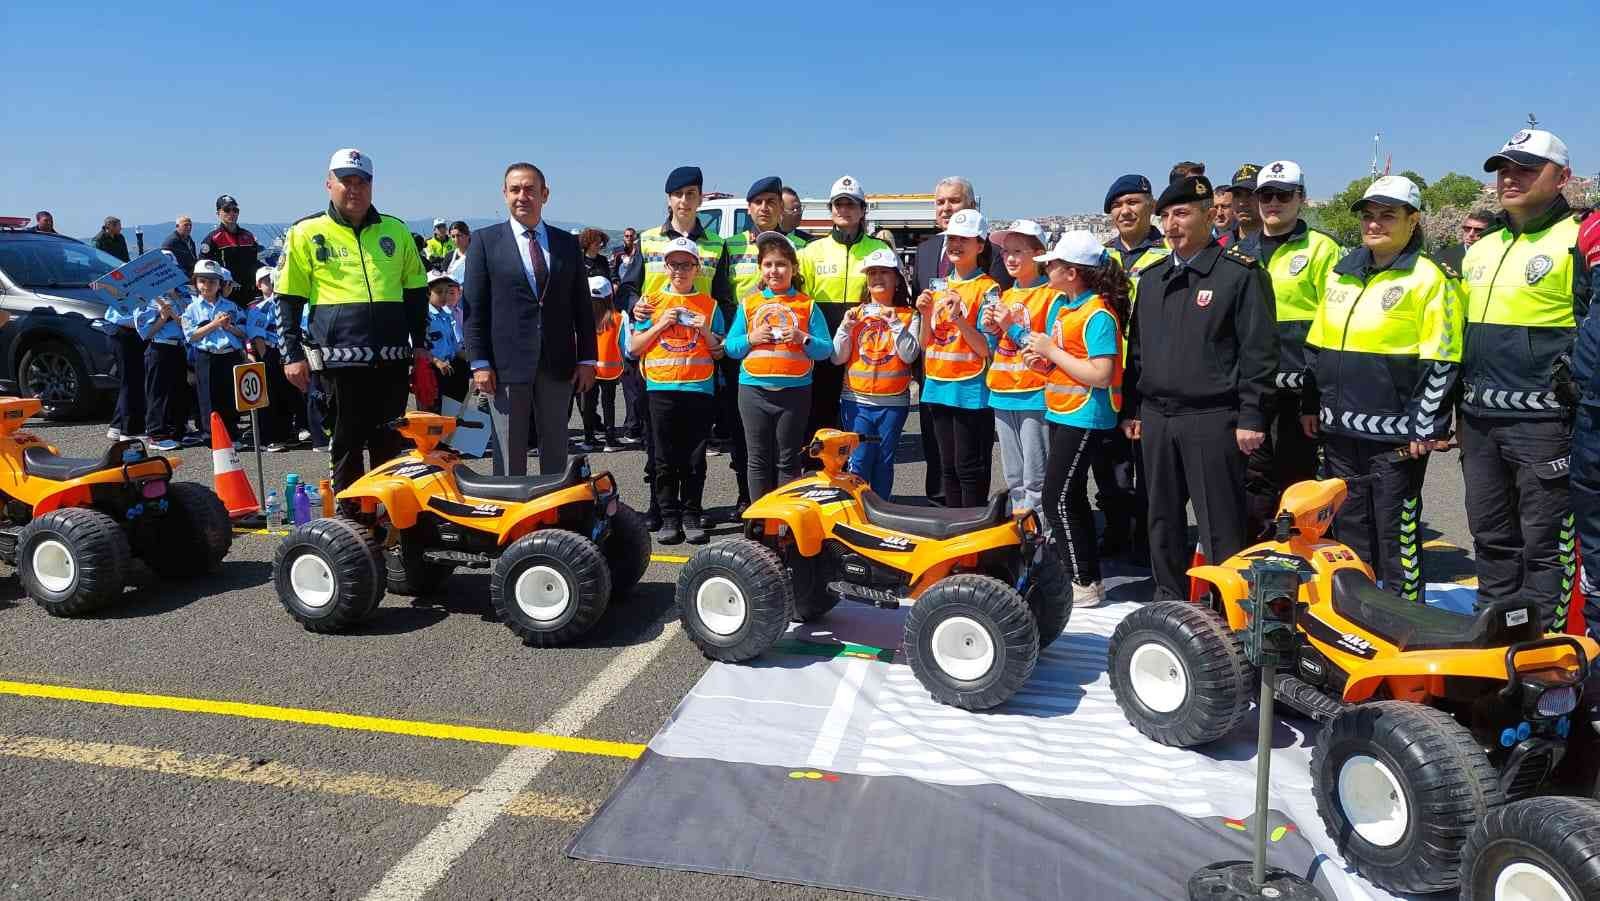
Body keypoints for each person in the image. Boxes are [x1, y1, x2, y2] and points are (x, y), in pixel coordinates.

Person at [1303, 175, 1464, 603]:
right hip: (1339, 429)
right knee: (1350, 526)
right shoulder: (1342, 272)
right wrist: (1310, 405)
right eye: (1368, 216)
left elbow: (1442, 359)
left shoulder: (1430, 278)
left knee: (1397, 530)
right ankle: (1359, 610)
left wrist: (1424, 424)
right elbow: (1316, 349)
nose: (1374, 224)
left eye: (1387, 215)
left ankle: (1406, 617)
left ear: (1413, 221)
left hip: (1395, 435)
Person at [1122, 175, 1277, 603]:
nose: (1172, 224)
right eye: (1167, 215)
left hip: (1212, 418)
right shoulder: (1152, 279)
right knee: (1162, 520)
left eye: (1183, 213)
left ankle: (1230, 609)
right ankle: (1169, 602)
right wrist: (1133, 409)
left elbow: (1258, 354)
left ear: (1210, 216)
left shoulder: (1238, 277)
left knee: (1220, 524)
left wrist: (1252, 416)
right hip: (1157, 418)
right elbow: (1138, 352)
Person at [1465, 129, 1590, 631]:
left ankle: (1544, 653)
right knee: (1491, 538)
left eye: (1525, 168)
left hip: (1545, 422)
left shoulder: (1579, 237)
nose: (1509, 178)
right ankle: (1494, 639)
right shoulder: (1482, 245)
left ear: (1562, 178)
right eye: (1503, 169)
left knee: (1544, 546)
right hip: (1477, 418)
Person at [276, 148, 431, 494]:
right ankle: (352, 526)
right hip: (337, 364)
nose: (354, 189)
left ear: (372, 186)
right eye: (346, 181)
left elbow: (417, 294)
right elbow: (286, 299)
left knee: (390, 445)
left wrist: (420, 347)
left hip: (391, 362)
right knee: (345, 445)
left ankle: (389, 520)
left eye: (362, 182)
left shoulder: (396, 230)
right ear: (329, 184)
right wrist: (292, 355)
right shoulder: (305, 232)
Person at [464, 161, 597, 478]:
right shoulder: (484, 242)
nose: (522, 196)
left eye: (530, 189)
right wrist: (479, 362)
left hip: (557, 362)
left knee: (556, 450)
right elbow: (474, 309)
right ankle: (511, 523)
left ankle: (553, 521)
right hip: (505, 367)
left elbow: (581, 305)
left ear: (544, 194)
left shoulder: (566, 244)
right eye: (515, 189)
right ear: (504, 194)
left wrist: (588, 359)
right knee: (509, 455)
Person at [620, 165, 732, 528]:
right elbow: (630, 286)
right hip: (657, 352)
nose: (685, 201)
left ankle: (688, 510)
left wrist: (717, 336)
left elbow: (724, 297)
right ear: (668, 199)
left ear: (701, 198)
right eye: (679, 194)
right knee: (657, 442)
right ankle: (660, 507)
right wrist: (633, 304)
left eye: (692, 194)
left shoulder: (716, 243)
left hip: (697, 353)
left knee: (693, 446)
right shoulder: (649, 238)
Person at [1237, 160, 1343, 540]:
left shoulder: (1323, 250)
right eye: (1266, 195)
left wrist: (1313, 400)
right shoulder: (1239, 251)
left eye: (1283, 195)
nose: (1273, 203)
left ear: (1301, 198)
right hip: (1253, 390)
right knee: (1253, 478)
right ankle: (1257, 554)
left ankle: (1297, 556)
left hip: (1299, 392)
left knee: (1296, 480)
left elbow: (1330, 325)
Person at [1029, 231, 1129, 607]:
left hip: (1086, 415)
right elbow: (1066, 362)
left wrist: (1051, 352)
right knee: (1068, 497)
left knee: (1057, 497)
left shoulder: (1098, 313)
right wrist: (1043, 360)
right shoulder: (1066, 307)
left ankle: (1082, 579)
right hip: (1064, 410)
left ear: (1072, 273)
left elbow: (1101, 373)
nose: (1047, 269)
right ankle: (1086, 577)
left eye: (1052, 264)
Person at [913, 177, 1013, 504]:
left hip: (970, 388)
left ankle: (972, 534)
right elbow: (926, 343)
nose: (956, 245)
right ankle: (952, 530)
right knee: (947, 467)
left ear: (980, 245)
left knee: (970, 467)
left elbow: (986, 347)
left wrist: (959, 320)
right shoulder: (937, 285)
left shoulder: (988, 287)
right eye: (952, 239)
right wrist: (925, 315)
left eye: (965, 239)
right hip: (937, 384)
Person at [626, 237, 727, 544]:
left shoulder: (710, 305)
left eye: (686, 264)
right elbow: (633, 348)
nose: (680, 270)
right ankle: (669, 516)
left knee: (695, 459)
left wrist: (704, 331)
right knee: (664, 458)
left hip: (698, 389)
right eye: (674, 264)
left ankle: (692, 514)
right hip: (661, 388)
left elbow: (720, 352)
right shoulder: (651, 302)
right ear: (666, 267)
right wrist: (660, 324)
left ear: (697, 268)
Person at [724, 231, 832, 500]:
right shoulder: (749, 303)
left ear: (793, 268)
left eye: (781, 264)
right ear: (761, 269)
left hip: (795, 393)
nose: (775, 270)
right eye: (769, 264)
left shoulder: (807, 305)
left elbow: (825, 349)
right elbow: (731, 347)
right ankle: (758, 523)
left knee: (789, 460)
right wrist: (751, 337)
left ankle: (784, 525)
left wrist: (802, 338)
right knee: (758, 459)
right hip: (753, 392)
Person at [721, 177, 806, 511]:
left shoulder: (802, 244)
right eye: (758, 202)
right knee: (745, 437)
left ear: (781, 207)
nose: (765, 208)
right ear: (749, 208)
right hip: (742, 347)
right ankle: (748, 496)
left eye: (772, 201)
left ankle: (787, 506)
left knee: (789, 444)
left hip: (789, 357)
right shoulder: (731, 245)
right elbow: (720, 293)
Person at [1097, 174, 1170, 559]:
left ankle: (1148, 538)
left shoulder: (1167, 253)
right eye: (1117, 205)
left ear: (1150, 206)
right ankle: (1115, 528)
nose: (1125, 211)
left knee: (1152, 465)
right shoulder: (1101, 257)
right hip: (1107, 373)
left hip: (1150, 373)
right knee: (1110, 462)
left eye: (1134, 202)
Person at [799, 176, 892, 437]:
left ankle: (857, 466)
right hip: (824, 340)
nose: (844, 210)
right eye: (838, 204)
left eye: (851, 205)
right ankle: (817, 464)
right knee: (821, 409)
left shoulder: (879, 249)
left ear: (863, 210)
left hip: (867, 342)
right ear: (830, 210)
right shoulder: (811, 250)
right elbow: (802, 302)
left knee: (860, 410)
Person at [835, 248, 920, 497]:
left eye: (884, 272)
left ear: (897, 279)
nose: (878, 278)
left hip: (893, 403)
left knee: (884, 461)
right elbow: (836, 356)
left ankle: (882, 510)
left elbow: (910, 355)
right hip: (856, 401)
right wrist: (844, 328)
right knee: (858, 461)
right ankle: (859, 512)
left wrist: (895, 324)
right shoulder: (855, 314)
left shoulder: (908, 315)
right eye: (872, 273)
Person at [983, 219, 1054, 515]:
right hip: (1001, 391)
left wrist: (1009, 327)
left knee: (1035, 477)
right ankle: (1020, 534)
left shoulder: (1052, 295)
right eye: (1006, 252)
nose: (1010, 258)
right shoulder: (1004, 295)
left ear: (1038, 254)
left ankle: (1041, 539)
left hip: (1035, 393)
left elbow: (1047, 348)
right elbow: (994, 345)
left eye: (1018, 251)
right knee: (1014, 478)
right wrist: (989, 328)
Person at [182, 260, 248, 442]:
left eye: (212, 281)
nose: (207, 285)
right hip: (207, 356)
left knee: (229, 395)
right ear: (195, 283)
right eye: (202, 281)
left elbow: (244, 332)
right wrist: (214, 324)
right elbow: (191, 335)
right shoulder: (192, 308)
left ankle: (232, 434)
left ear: (220, 284)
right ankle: (211, 436)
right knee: (208, 397)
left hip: (229, 354)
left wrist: (229, 327)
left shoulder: (231, 306)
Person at [135, 284, 187, 452]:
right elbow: (146, 333)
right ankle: (156, 435)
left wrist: (175, 297)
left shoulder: (180, 295)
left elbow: (187, 321)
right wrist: (163, 317)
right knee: (158, 392)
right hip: (159, 347)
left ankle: (175, 430)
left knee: (177, 391)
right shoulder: (146, 299)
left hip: (179, 347)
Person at [101, 263, 147, 441]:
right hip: (123, 331)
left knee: (131, 380)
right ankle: (130, 431)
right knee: (131, 381)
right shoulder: (130, 282)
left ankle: (117, 425)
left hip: (126, 331)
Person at [581, 276, 624, 452]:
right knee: (609, 403)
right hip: (611, 370)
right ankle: (610, 439)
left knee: (589, 404)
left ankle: (589, 439)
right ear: (609, 296)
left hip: (589, 368)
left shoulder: (583, 319)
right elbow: (624, 345)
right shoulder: (618, 318)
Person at [611, 226, 645, 444]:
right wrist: (634, 306)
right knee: (633, 380)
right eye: (627, 236)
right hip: (635, 323)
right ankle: (634, 426)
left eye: (632, 236)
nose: (629, 239)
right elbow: (626, 288)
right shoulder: (618, 254)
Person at [422, 271, 468, 410]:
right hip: (432, 372)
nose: (444, 296)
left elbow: (455, 347)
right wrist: (437, 362)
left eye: (447, 292)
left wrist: (474, 359)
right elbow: (418, 347)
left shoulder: (447, 315)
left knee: (453, 413)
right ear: (428, 292)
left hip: (450, 369)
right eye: (439, 292)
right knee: (433, 419)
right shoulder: (424, 316)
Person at [1217, 164, 1262, 247]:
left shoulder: (1281, 243)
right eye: (1237, 195)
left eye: (1250, 194)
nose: (1242, 203)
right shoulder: (1219, 245)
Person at [1439, 208, 1497, 272]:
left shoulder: (1499, 256)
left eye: (1478, 230)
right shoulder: (1445, 256)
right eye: (1467, 228)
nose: (1471, 234)